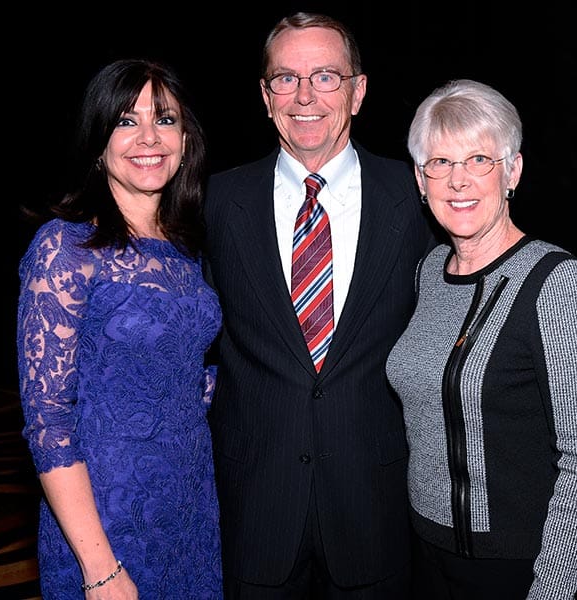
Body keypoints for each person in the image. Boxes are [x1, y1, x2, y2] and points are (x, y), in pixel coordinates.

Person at [202, 11, 436, 600]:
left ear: (358, 92)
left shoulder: (415, 197)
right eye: (286, 78)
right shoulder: (217, 201)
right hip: (254, 508)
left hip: (373, 507)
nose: (305, 96)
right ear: (265, 95)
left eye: (326, 76)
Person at [385, 78, 577, 600]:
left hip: (516, 569)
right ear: (421, 181)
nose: (457, 181)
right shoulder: (428, 274)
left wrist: (550, 590)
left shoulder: (557, 283)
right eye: (439, 163)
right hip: (424, 556)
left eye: (478, 160)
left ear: (512, 171)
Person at [16, 58, 222, 599]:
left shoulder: (186, 250)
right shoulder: (65, 248)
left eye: (165, 119)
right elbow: (48, 422)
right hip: (103, 526)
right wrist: (100, 568)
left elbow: (185, 377)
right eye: (127, 121)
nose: (149, 138)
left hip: (191, 514)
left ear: (186, 138)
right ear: (98, 139)